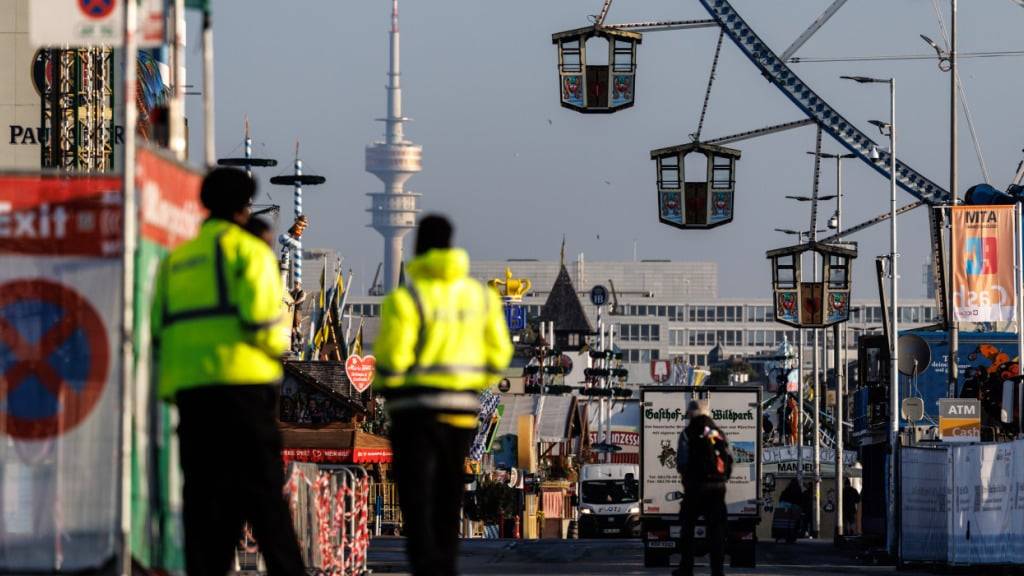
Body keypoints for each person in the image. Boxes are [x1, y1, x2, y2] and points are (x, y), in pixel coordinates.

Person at [151, 168, 303, 576]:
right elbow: (268, 329)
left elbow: (157, 332)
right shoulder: (249, 253)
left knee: (205, 513)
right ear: (243, 208)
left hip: (192, 399)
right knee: (266, 506)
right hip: (244, 394)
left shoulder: (175, 261)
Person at [374, 214, 513, 576]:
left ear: (419, 248)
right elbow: (499, 353)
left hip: (415, 412)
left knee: (416, 493)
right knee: (449, 493)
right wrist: (470, 382)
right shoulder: (479, 298)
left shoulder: (407, 299)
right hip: (460, 412)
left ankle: (424, 562)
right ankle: (446, 564)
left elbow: (392, 359)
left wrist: (388, 391)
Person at [675, 400, 732, 576]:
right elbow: (729, 458)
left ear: (691, 414)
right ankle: (717, 571)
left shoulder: (688, 433)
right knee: (716, 532)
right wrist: (722, 479)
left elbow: (682, 461)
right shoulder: (717, 433)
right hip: (717, 489)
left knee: (687, 528)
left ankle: (686, 568)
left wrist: (688, 479)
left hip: (695, 488)